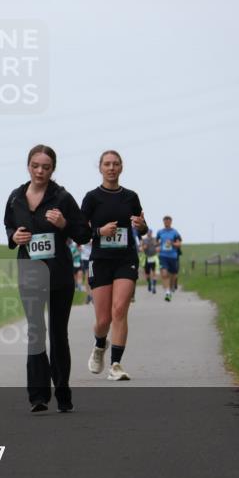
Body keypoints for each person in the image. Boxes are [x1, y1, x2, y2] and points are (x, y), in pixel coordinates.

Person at [4, 144, 90, 413]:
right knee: (35, 332)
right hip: (29, 272)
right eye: (35, 166)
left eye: (46, 167)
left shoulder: (62, 197)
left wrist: (64, 225)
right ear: (28, 166)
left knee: (57, 333)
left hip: (59, 274)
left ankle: (63, 392)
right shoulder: (16, 197)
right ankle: (38, 397)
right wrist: (13, 237)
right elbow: (9, 225)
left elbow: (84, 234)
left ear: (53, 169)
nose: (40, 171)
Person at [80, 150, 147, 381]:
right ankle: (100, 345)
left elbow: (142, 227)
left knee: (119, 310)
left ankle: (116, 364)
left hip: (125, 259)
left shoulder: (131, 197)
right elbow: (80, 231)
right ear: (100, 168)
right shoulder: (91, 198)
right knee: (103, 320)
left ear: (121, 167)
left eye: (115, 164)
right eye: (107, 164)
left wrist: (141, 225)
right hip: (100, 261)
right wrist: (100, 231)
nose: (111, 168)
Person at [156, 216, 183, 301]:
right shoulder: (160, 232)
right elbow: (156, 242)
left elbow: (179, 244)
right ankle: (167, 292)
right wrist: (157, 247)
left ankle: (171, 288)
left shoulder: (175, 232)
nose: (167, 222)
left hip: (173, 256)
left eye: (168, 221)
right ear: (163, 222)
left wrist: (172, 243)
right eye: (165, 221)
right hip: (163, 256)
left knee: (173, 275)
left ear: (171, 222)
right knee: (164, 274)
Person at [140, 229, 159, 294]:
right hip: (146, 258)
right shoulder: (144, 240)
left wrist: (157, 248)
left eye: (150, 232)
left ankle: (154, 286)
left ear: (152, 233)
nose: (149, 234)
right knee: (147, 274)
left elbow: (158, 247)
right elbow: (141, 249)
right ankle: (149, 283)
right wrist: (144, 247)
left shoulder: (154, 239)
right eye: (148, 233)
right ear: (147, 233)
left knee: (154, 272)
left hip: (153, 257)